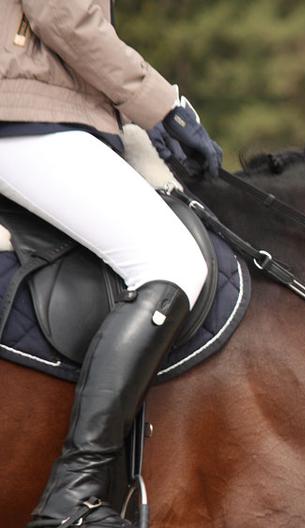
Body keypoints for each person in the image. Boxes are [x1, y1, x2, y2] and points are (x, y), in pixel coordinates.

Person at [0, 1, 223, 526]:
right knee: (170, 260)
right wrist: (164, 105)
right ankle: (72, 496)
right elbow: (65, 16)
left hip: (48, 109)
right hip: (23, 113)